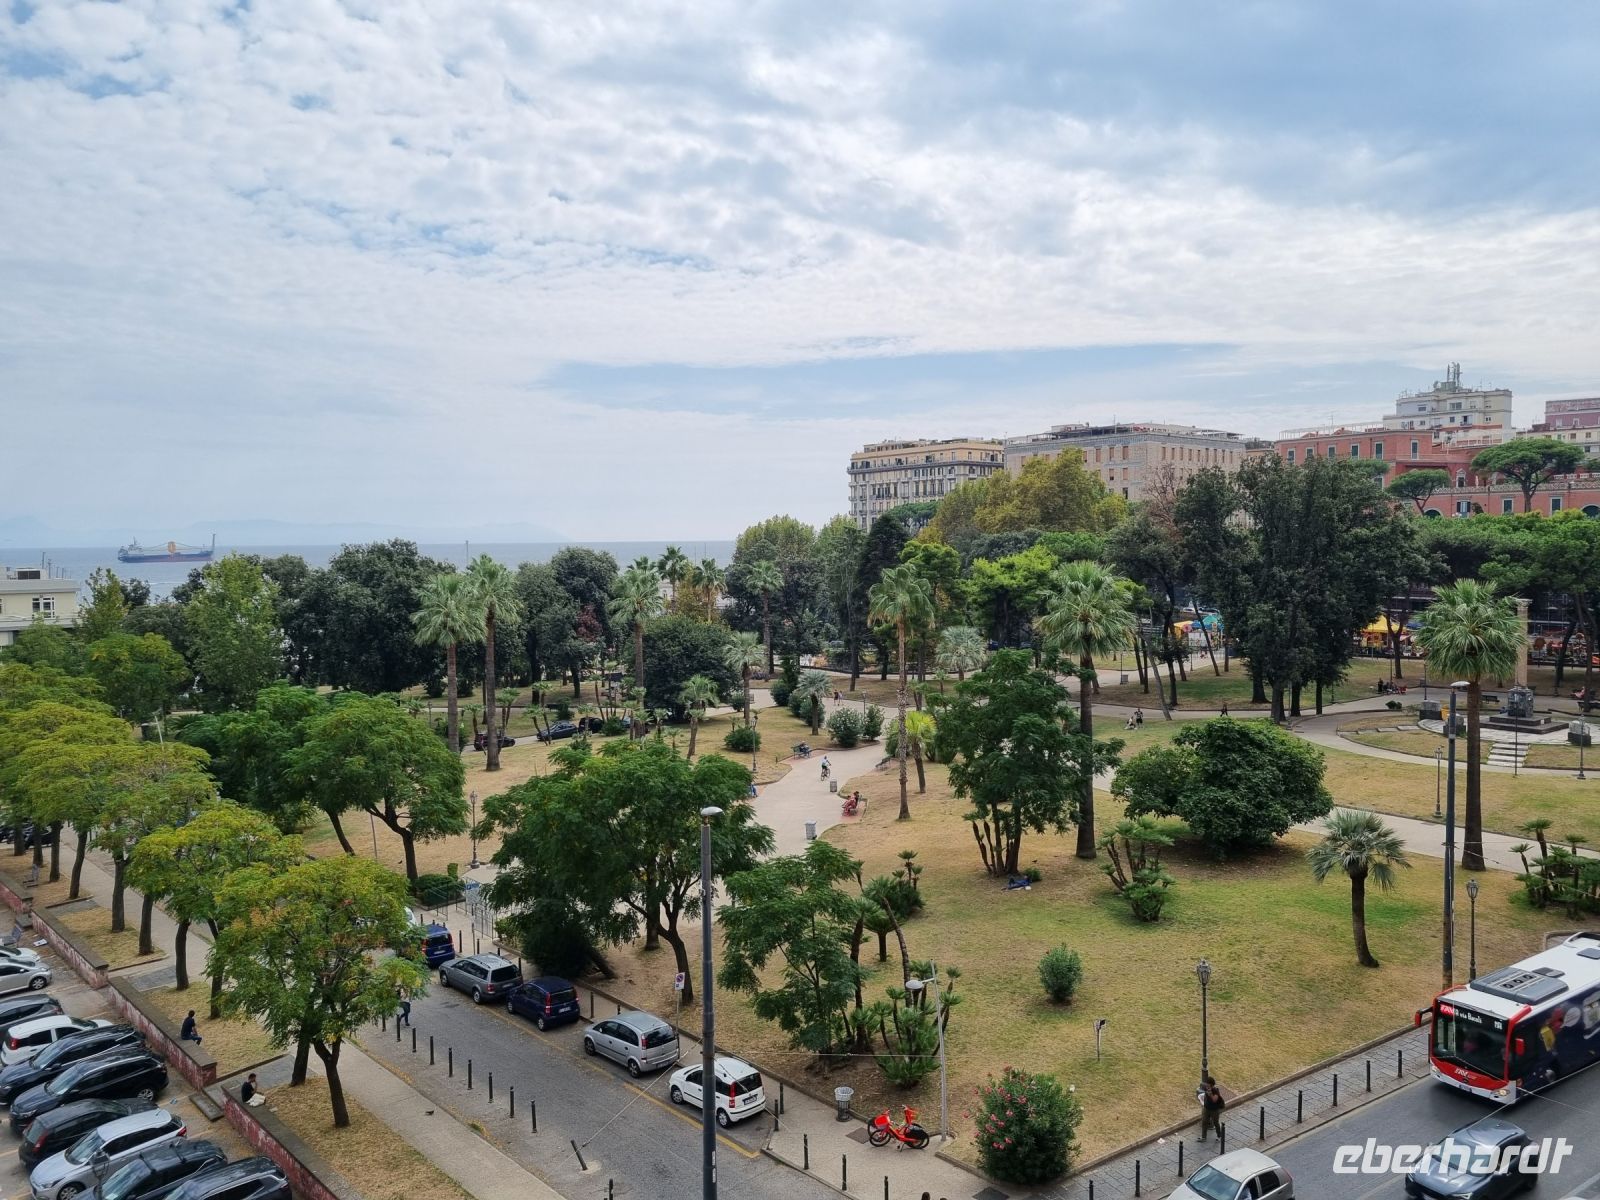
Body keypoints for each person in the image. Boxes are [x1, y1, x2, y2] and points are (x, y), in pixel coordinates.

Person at [1198, 1075, 1225, 1142]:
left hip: (1214, 1110)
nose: (1206, 1085)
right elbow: (1205, 1095)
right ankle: (1203, 1137)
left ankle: (1219, 1136)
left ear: (1211, 1085)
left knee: (1216, 1123)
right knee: (1204, 1122)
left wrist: (1211, 1095)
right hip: (1206, 1108)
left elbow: (1214, 1100)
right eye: (1206, 1084)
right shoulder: (1206, 1088)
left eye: (1208, 1084)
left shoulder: (1215, 1091)